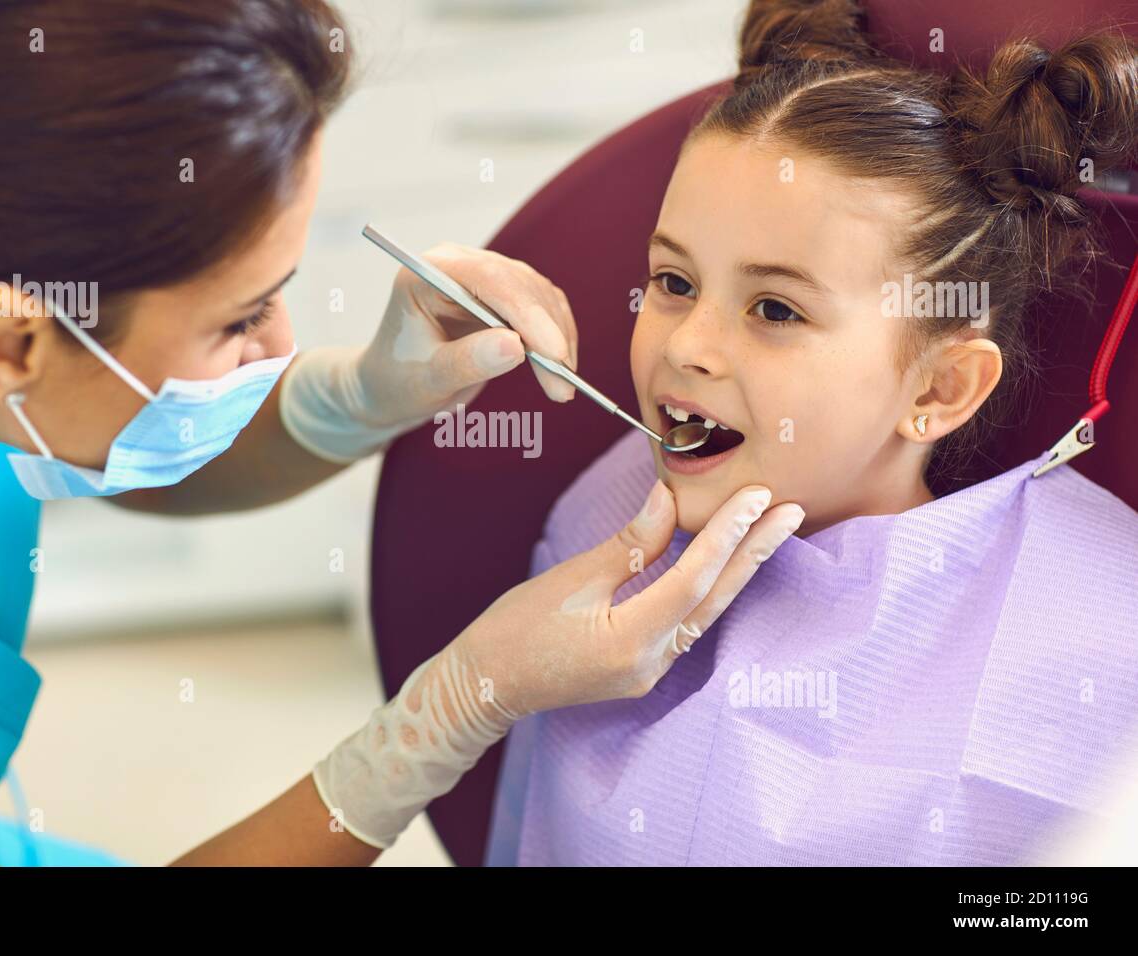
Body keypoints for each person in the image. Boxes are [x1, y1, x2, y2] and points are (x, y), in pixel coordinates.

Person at [0, 0, 804, 866]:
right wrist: (451, 711)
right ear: (13, 343)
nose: (284, 347)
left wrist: (358, 396)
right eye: (239, 317)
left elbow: (104, 450)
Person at [486, 0, 1138, 865]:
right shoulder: (600, 516)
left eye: (775, 308)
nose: (686, 345)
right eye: (674, 281)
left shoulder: (1084, 635)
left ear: (941, 387)